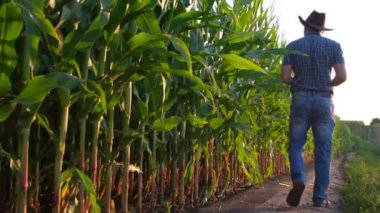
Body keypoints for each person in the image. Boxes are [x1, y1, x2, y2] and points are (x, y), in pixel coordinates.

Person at [280, 10, 347, 207]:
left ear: (306, 27)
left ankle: (299, 180)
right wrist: (327, 84)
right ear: (321, 30)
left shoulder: (293, 46)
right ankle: (319, 198)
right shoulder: (334, 46)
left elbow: (284, 77)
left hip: (300, 99)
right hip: (324, 100)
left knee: (296, 144)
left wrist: (298, 83)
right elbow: (342, 76)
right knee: (323, 151)